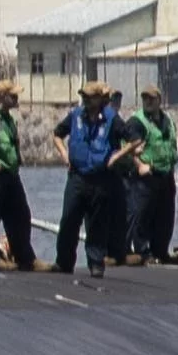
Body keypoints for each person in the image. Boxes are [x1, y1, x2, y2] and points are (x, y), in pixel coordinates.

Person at [56, 82, 128, 273]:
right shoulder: (76, 115)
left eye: (90, 97)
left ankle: (95, 262)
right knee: (69, 218)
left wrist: (117, 156)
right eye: (84, 97)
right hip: (77, 176)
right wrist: (64, 154)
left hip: (100, 177)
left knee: (97, 222)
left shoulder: (111, 118)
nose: (86, 100)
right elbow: (57, 134)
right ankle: (63, 262)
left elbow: (135, 138)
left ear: (100, 99)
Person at [0, 77, 39, 267]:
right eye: (12, 95)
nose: (16, 98)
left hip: (11, 173)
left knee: (20, 215)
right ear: (1, 96)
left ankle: (25, 257)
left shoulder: (9, 119)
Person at [128, 79, 178, 262]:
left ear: (159, 100)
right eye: (145, 98)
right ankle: (143, 252)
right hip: (147, 176)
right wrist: (139, 165)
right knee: (143, 214)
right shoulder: (137, 122)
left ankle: (160, 251)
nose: (148, 102)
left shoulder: (168, 121)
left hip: (166, 174)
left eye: (151, 98)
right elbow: (127, 148)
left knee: (165, 216)